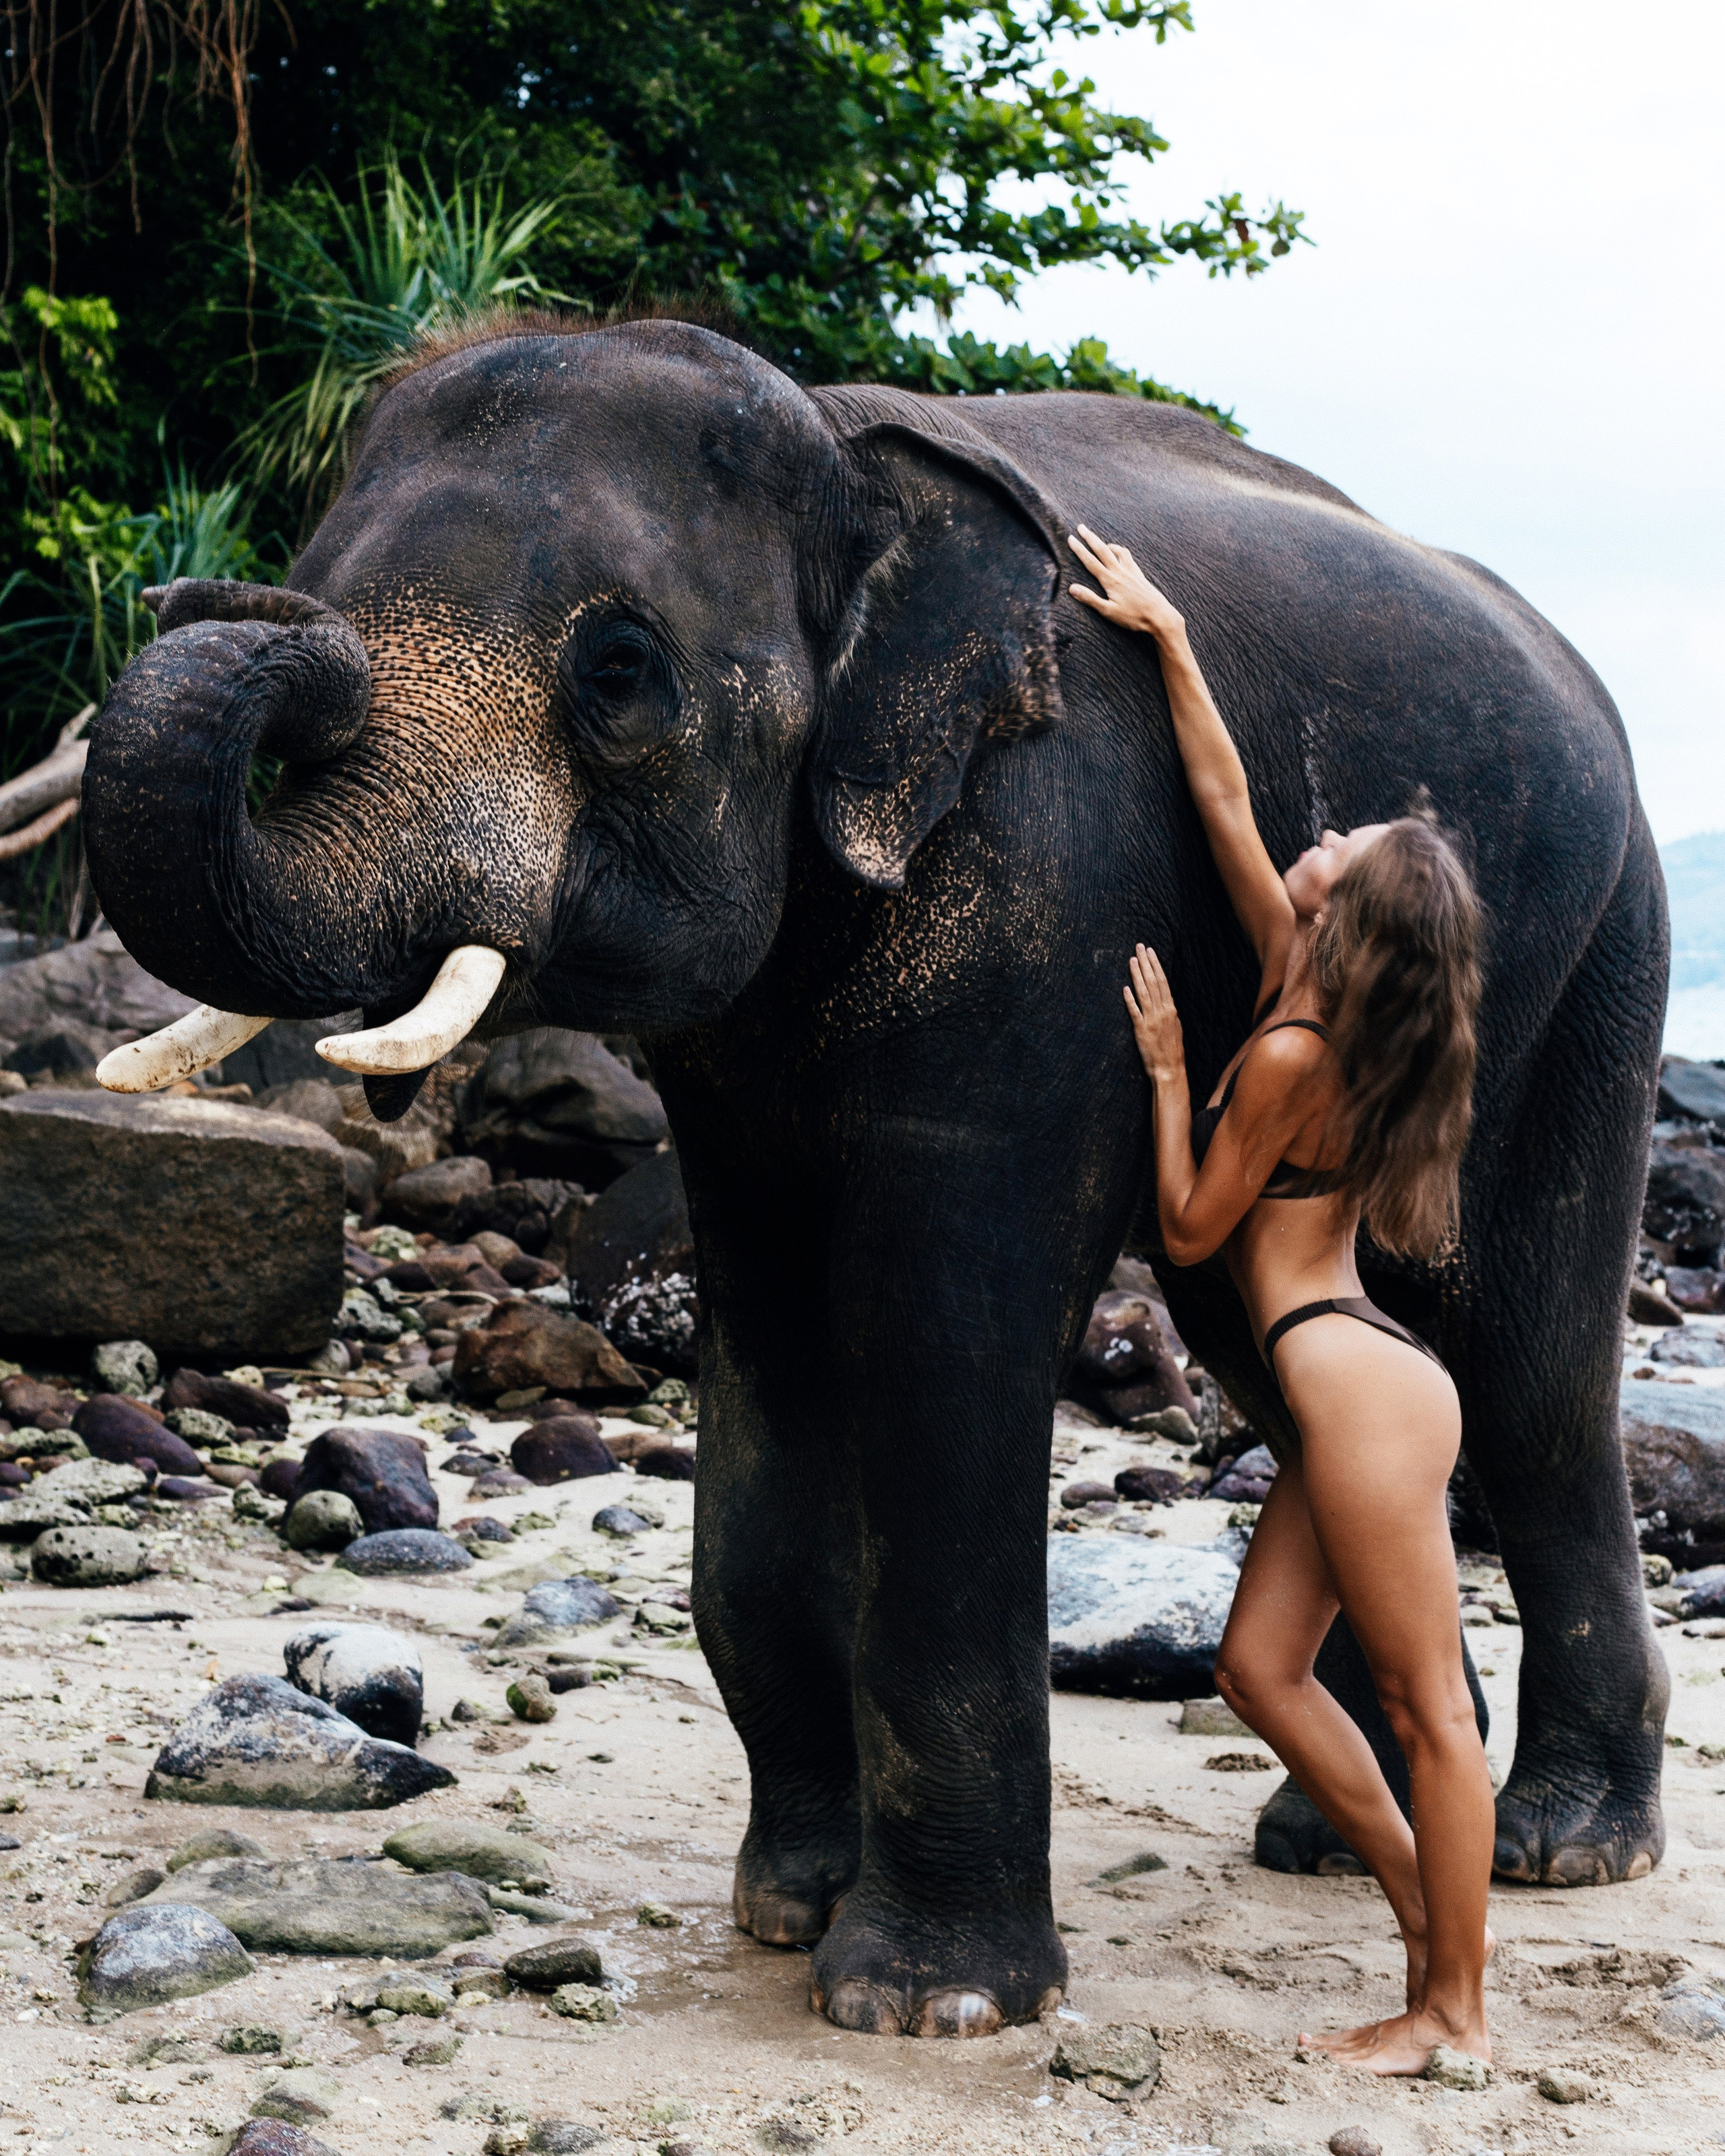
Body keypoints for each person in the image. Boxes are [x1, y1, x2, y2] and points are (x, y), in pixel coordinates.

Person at [1067, 525, 1492, 2075]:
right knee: (1258, 1668)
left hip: (1355, 1391)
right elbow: (1227, 798)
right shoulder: (1295, 976)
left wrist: (1175, 1073)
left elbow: (1187, 1230)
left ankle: (1453, 2006)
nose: (1331, 836)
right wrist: (1171, 636)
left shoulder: (1296, 1051)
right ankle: (1422, 1926)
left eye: (1357, 845)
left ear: (1357, 914)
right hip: (1349, 1386)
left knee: (1421, 1702)